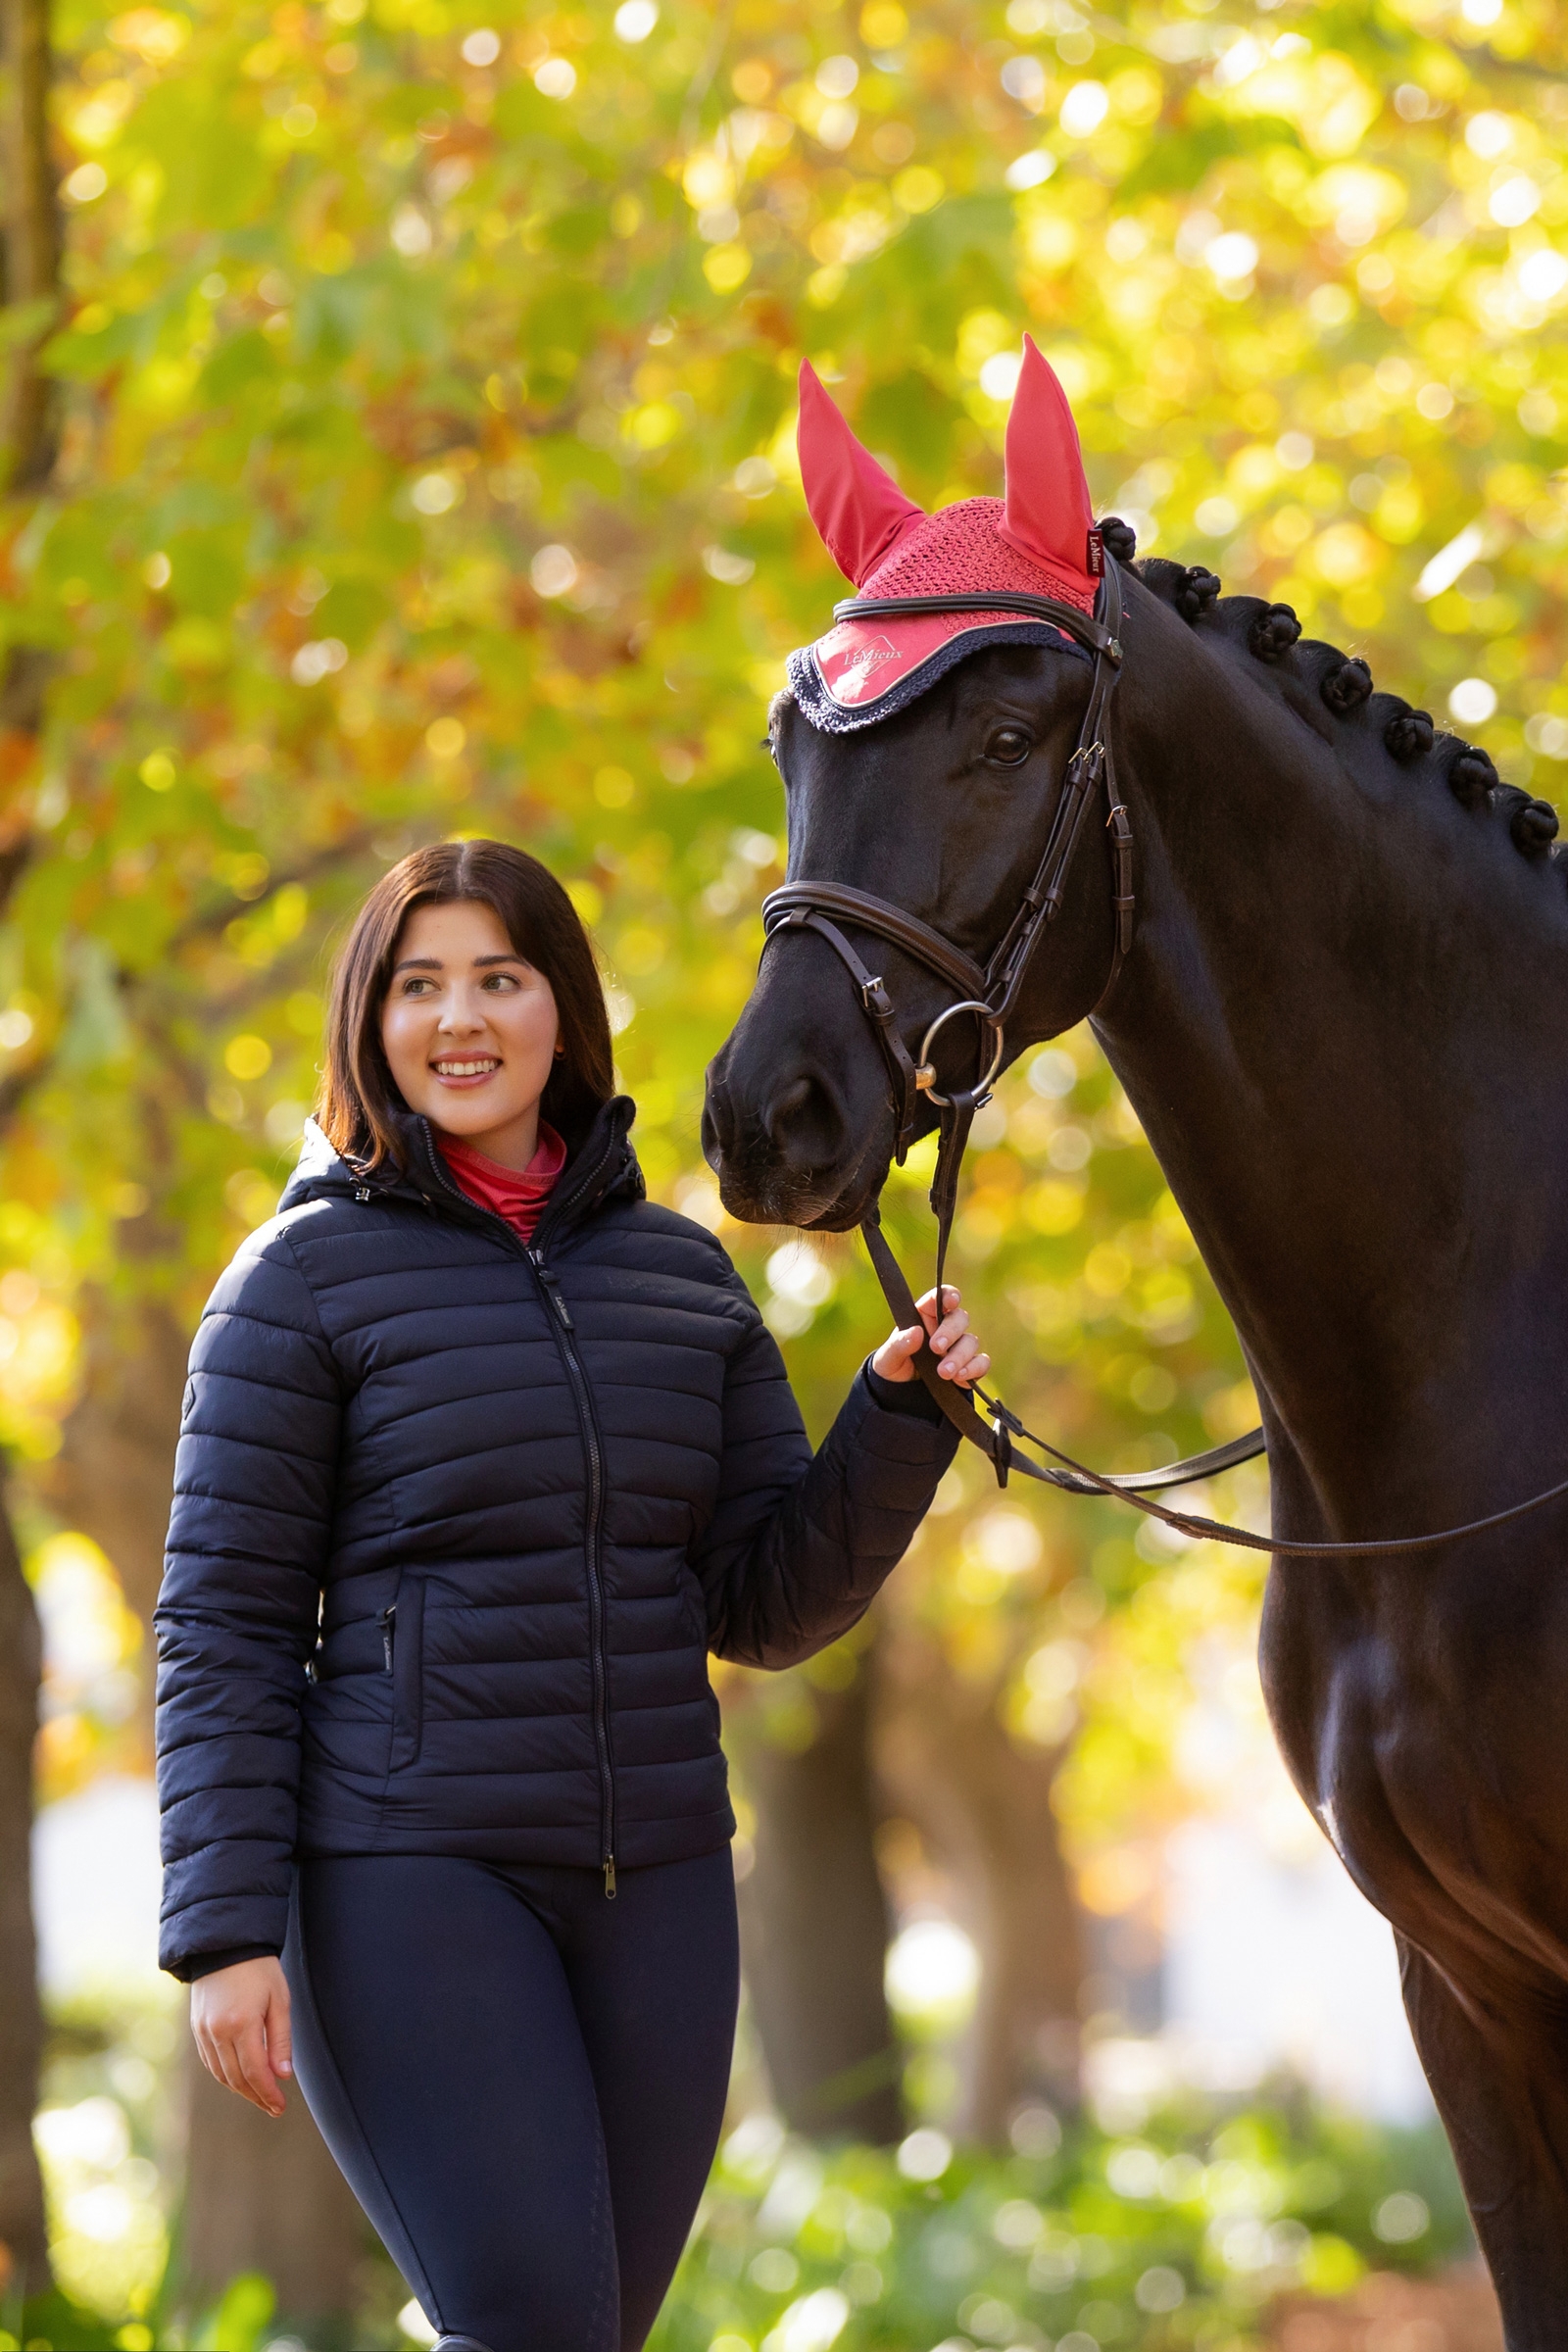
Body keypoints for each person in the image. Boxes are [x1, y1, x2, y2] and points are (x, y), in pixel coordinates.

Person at [154, 838, 991, 2352]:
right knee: (533, 2326)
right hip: (412, 1879)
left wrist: (897, 1421)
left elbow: (764, 1602)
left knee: (594, 2331)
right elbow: (223, 1623)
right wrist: (223, 1931)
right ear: (372, 1022)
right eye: (419, 987)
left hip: (660, 1883)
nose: (457, 1020)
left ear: (562, 1012)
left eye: (498, 978)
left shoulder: (679, 1277)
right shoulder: (298, 1280)